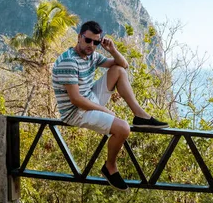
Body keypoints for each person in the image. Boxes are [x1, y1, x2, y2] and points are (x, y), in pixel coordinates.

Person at [52, 20, 168, 191]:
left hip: (89, 98)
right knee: (123, 129)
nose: (91, 45)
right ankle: (110, 167)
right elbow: (76, 99)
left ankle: (140, 115)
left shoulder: (91, 55)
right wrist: (104, 109)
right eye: (88, 40)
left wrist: (112, 49)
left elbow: (123, 65)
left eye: (96, 42)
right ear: (79, 37)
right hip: (76, 112)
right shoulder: (69, 61)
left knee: (118, 71)